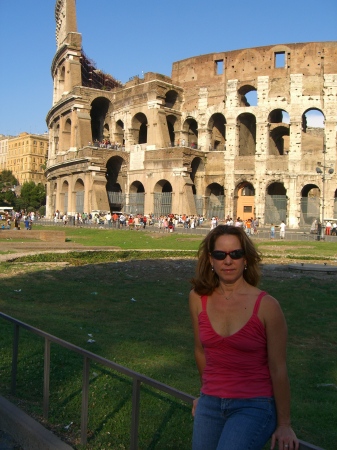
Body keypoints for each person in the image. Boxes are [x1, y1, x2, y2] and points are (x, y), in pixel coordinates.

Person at [189, 225, 298, 450]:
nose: (228, 261)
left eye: (235, 254)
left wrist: (285, 423)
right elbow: (200, 350)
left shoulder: (268, 306)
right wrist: (205, 391)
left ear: (246, 258)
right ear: (211, 259)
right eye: (220, 255)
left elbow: (278, 368)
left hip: (254, 404)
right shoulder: (197, 298)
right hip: (210, 401)